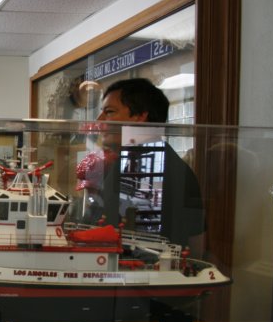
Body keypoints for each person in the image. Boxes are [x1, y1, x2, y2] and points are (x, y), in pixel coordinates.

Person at [87, 77, 205, 253]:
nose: (99, 120)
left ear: (141, 115)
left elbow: (195, 243)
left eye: (109, 112)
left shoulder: (165, 170)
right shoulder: (126, 163)